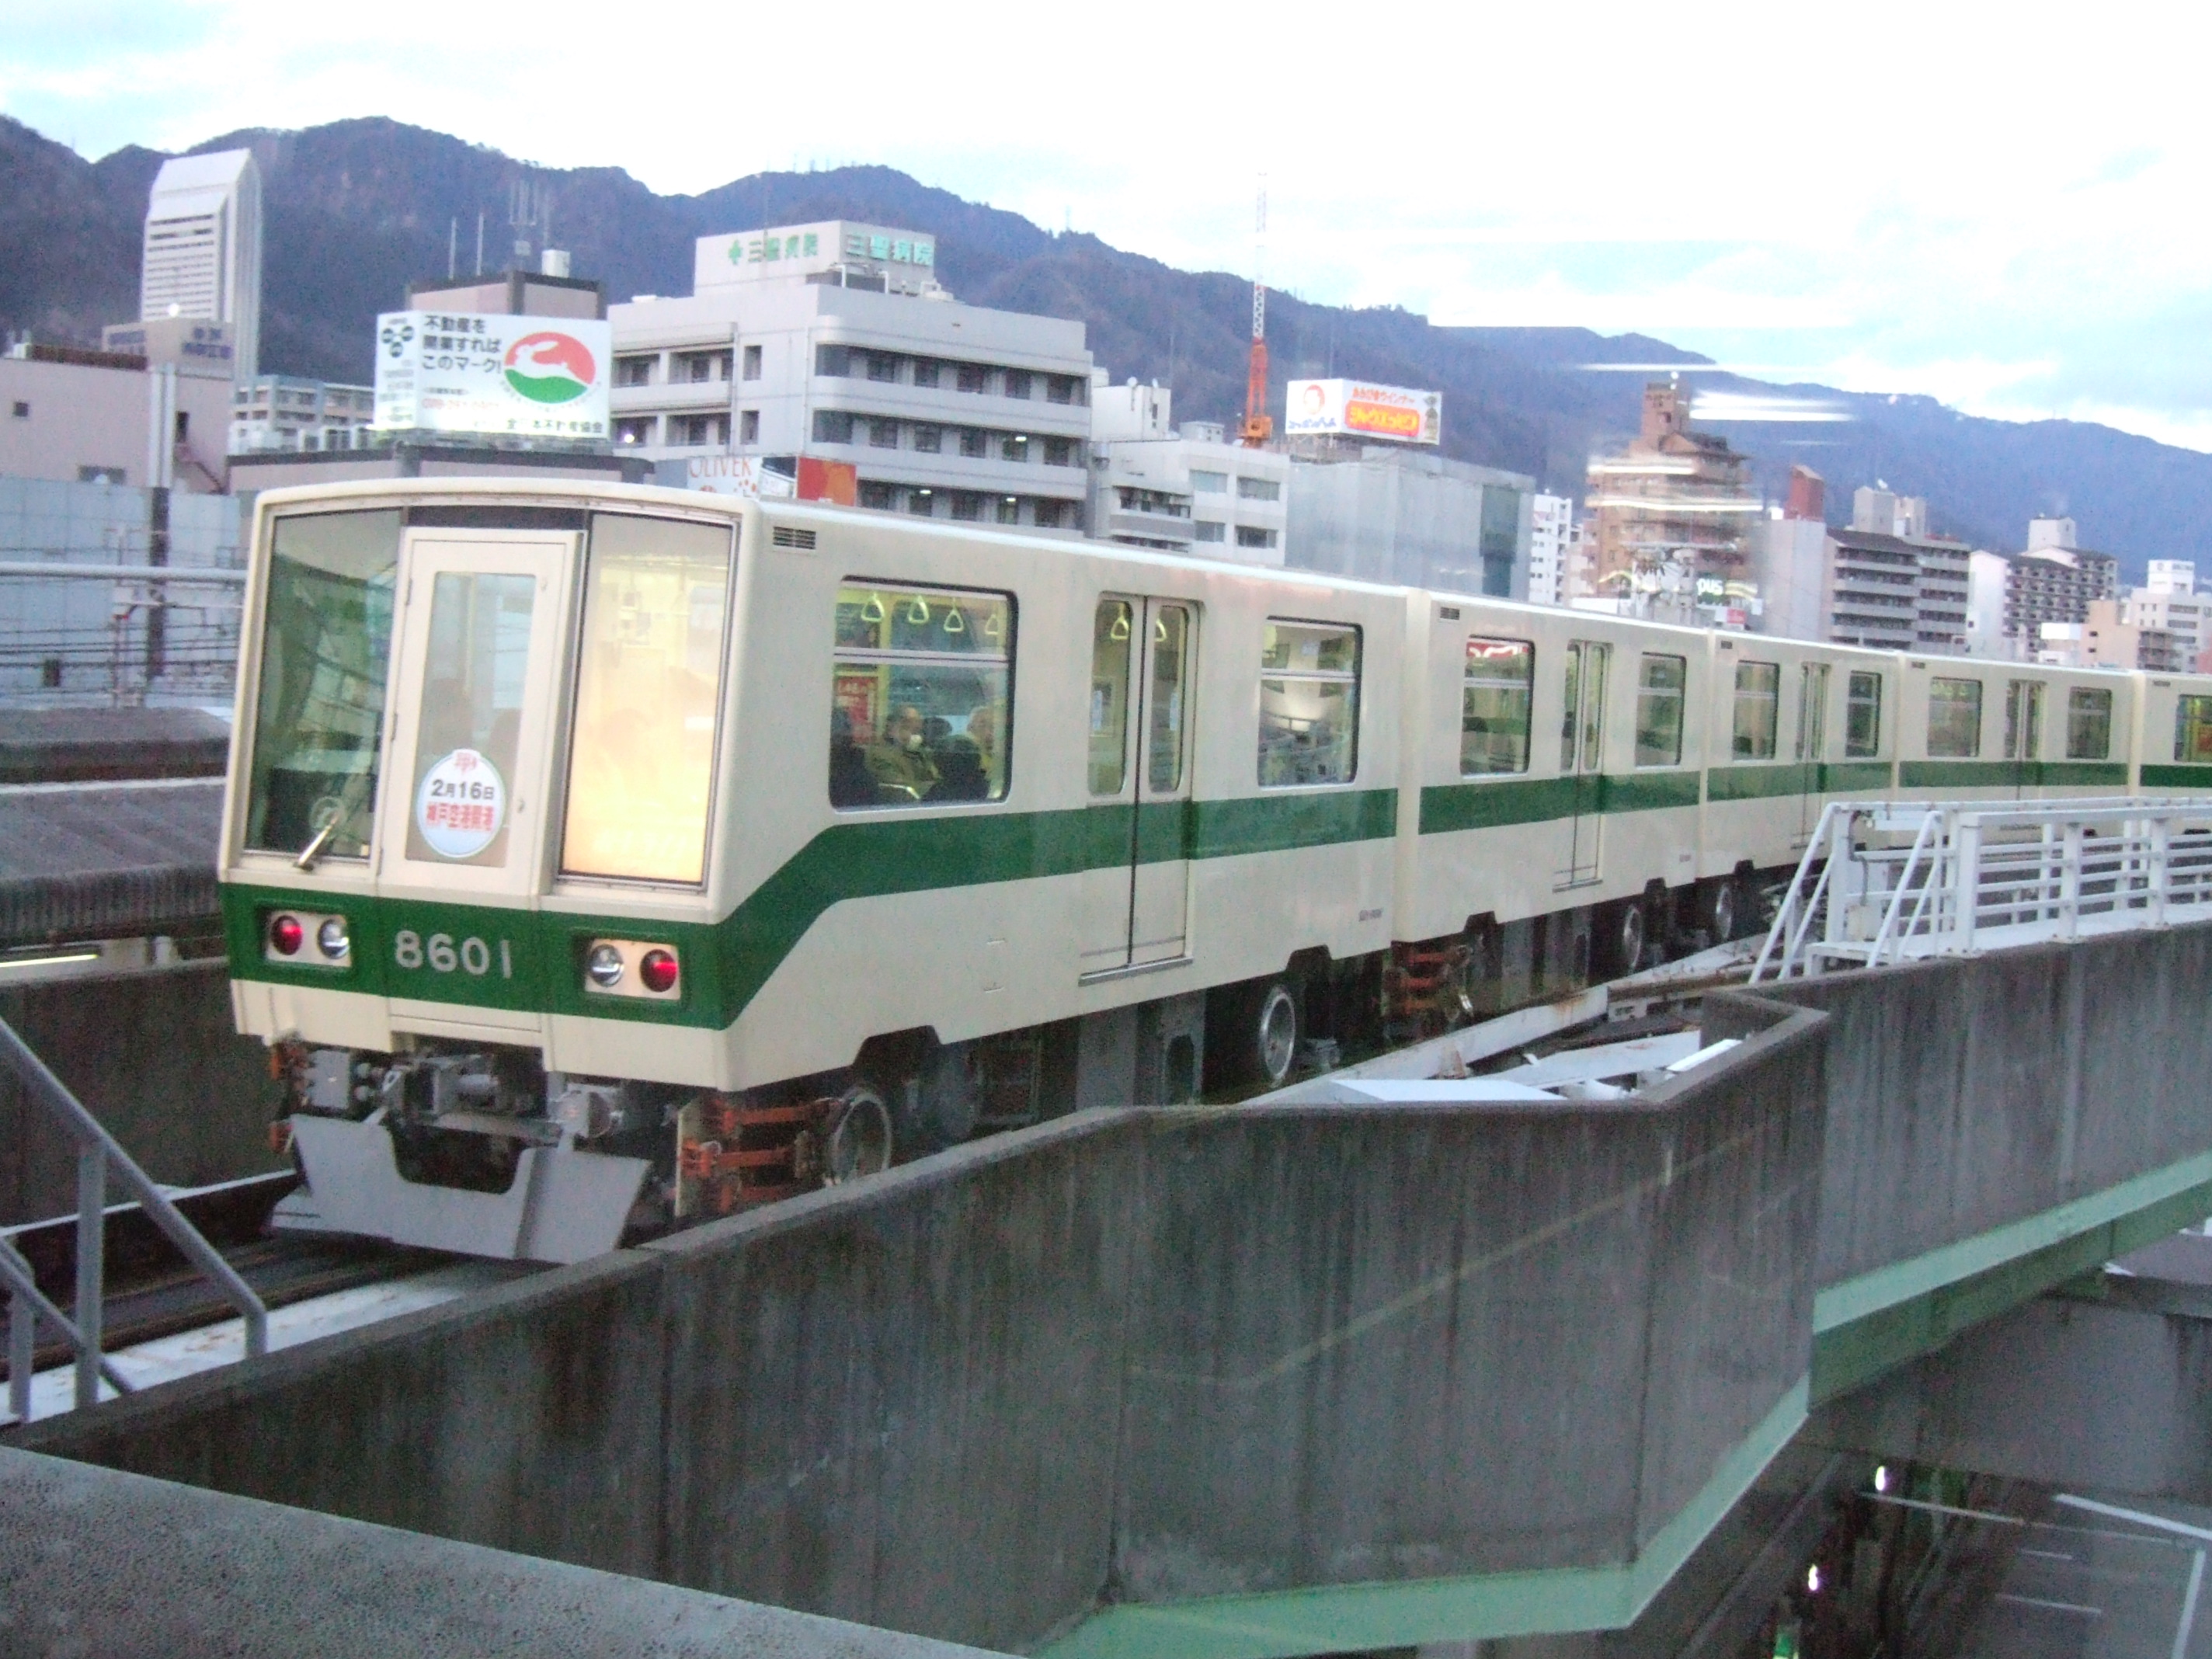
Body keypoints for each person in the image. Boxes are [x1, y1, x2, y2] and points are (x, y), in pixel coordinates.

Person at [866, 705, 939, 801]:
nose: (916, 727)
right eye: (907, 723)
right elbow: (898, 787)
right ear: (891, 725)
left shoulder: (918, 752)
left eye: (918, 722)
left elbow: (936, 777)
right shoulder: (878, 753)